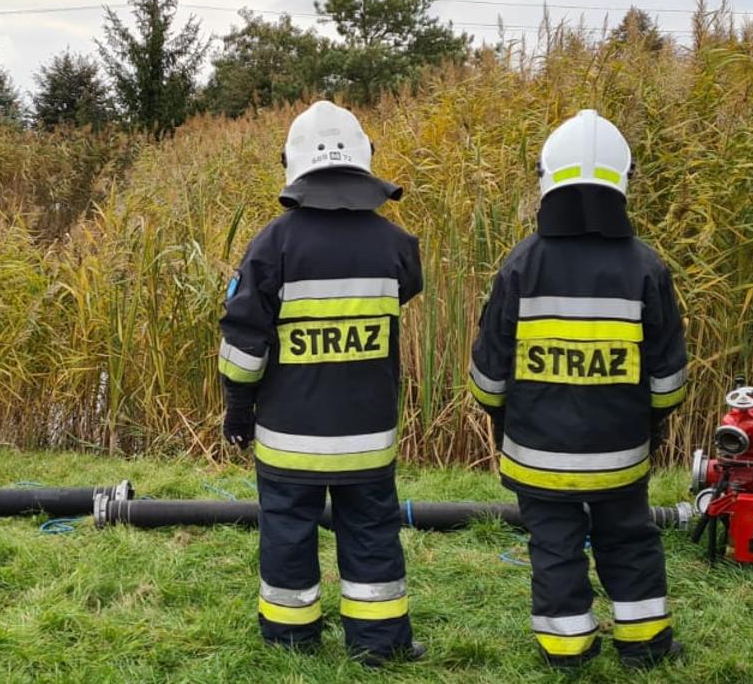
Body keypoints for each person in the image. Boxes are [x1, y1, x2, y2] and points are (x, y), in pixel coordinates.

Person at [467, 109, 688, 668]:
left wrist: (504, 419)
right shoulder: (646, 267)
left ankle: (566, 651)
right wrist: (650, 427)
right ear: (622, 180)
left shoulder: (521, 265)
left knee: (554, 548)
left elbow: (489, 375)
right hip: (621, 456)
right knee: (630, 540)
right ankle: (646, 646)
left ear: (547, 177)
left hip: (537, 455)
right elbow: (668, 379)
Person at [218, 100, 425, 666]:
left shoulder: (271, 245)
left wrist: (237, 409)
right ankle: (379, 645)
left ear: (292, 163)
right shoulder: (395, 245)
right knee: (373, 532)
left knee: (287, 534)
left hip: (289, 439)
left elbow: (243, 344)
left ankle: (290, 642)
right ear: (363, 157)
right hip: (367, 437)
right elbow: (406, 289)